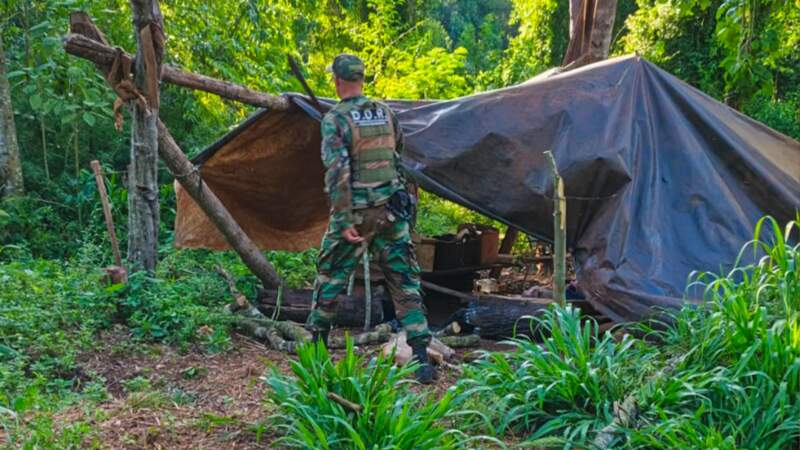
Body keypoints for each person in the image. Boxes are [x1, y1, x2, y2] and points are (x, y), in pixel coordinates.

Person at [305, 53, 436, 384]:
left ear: (337, 80)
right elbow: (397, 156)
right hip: (392, 213)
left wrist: (343, 217)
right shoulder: (386, 112)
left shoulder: (336, 119)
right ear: (362, 79)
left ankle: (317, 353)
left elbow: (337, 172)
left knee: (330, 276)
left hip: (358, 215)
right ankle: (422, 360)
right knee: (405, 283)